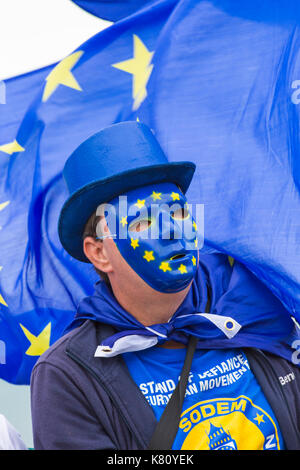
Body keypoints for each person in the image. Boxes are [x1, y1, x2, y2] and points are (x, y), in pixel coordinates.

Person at [31, 121, 300, 450]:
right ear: (99, 253)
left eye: (179, 213)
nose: (173, 230)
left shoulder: (266, 304)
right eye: (143, 221)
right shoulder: (69, 375)